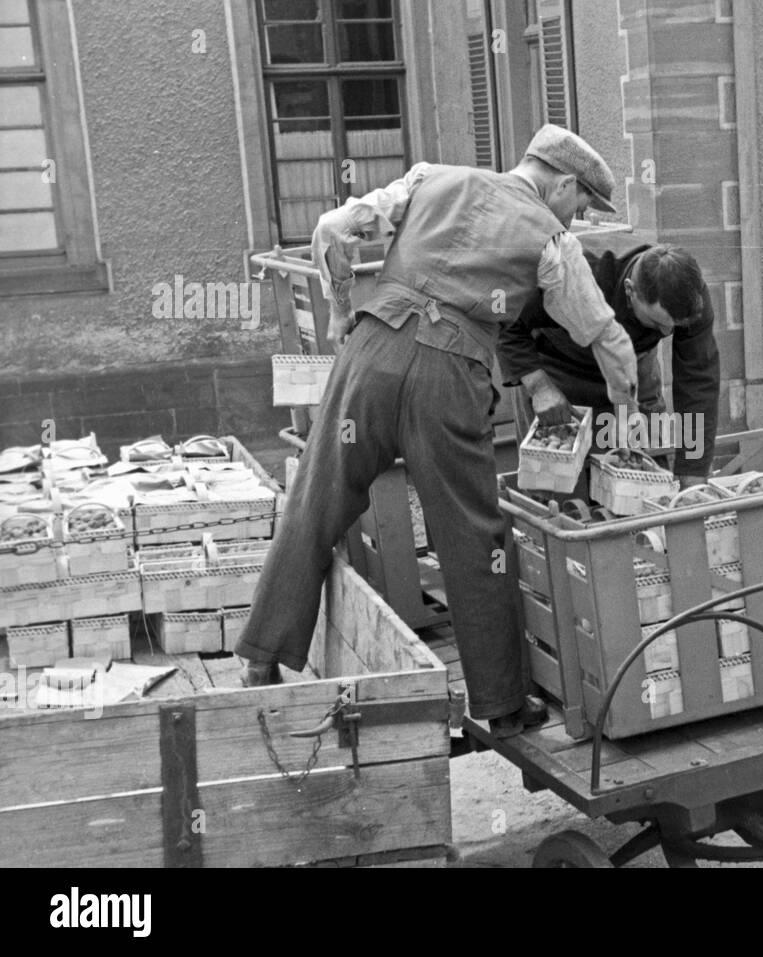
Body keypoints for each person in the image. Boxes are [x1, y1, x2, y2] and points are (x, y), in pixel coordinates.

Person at [235, 126, 640, 739]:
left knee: (317, 497)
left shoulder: (429, 178)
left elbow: (328, 230)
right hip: (448, 377)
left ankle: (262, 655)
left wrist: (342, 308)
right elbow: (605, 335)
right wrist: (626, 409)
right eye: (580, 204)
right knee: (475, 534)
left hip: (369, 355)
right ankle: (503, 707)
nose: (577, 217)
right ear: (561, 184)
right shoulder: (553, 242)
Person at [499, 244, 720, 484]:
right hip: (559, 370)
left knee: (642, 480)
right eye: (657, 323)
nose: (667, 332)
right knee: (557, 485)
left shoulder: (690, 298)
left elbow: (697, 383)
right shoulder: (571, 273)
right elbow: (503, 319)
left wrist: (694, 468)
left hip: (631, 374)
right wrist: (539, 387)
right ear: (630, 290)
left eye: (674, 327)